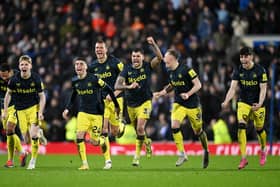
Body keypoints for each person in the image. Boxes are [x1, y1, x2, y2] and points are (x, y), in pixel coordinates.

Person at [154, 49, 209, 168]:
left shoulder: (187, 70)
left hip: (192, 104)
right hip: (178, 103)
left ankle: (205, 150)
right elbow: (171, 86)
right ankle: (182, 153)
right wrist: (160, 93)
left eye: (167, 62)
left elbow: (198, 84)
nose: (165, 64)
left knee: (198, 131)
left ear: (173, 60)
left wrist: (188, 94)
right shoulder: (171, 73)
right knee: (174, 126)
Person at [62, 57, 120, 170]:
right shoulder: (75, 81)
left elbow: (108, 89)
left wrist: (116, 105)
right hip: (83, 113)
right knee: (79, 136)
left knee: (94, 142)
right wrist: (67, 109)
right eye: (77, 64)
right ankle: (84, 164)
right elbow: (73, 96)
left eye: (81, 64)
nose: (78, 66)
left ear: (86, 67)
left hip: (96, 114)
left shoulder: (94, 79)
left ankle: (102, 141)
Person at [114, 36, 162, 166]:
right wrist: (128, 86)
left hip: (145, 102)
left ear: (142, 57)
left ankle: (136, 157)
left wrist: (154, 44)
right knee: (139, 132)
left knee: (140, 127)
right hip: (130, 105)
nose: (135, 58)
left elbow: (159, 58)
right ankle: (147, 142)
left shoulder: (147, 66)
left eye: (137, 56)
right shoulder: (126, 69)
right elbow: (117, 86)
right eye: (133, 56)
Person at [221, 46, 268, 170]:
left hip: (258, 104)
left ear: (251, 57)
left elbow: (263, 89)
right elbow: (232, 88)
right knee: (241, 126)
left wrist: (260, 103)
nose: (243, 59)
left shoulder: (260, 70)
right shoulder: (238, 70)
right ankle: (243, 158)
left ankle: (263, 150)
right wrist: (226, 100)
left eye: (246, 56)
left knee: (259, 129)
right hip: (243, 103)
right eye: (241, 57)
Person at [3, 55, 46, 170]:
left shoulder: (36, 79)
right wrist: (5, 110)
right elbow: (8, 95)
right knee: (26, 139)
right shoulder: (14, 80)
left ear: (30, 66)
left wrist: (40, 112)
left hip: (33, 109)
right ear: (19, 66)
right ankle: (39, 133)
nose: (24, 66)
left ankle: (33, 160)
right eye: (22, 64)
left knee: (33, 136)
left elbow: (42, 97)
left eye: (26, 64)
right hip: (20, 111)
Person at [88, 39, 125, 169]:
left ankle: (121, 125)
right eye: (97, 48)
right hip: (102, 101)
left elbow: (126, 80)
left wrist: (114, 94)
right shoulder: (92, 67)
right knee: (104, 131)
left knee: (114, 132)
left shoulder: (116, 63)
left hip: (116, 99)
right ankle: (108, 161)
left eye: (101, 48)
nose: (99, 50)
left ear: (106, 49)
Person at [0, 63, 28, 168]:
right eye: (2, 75)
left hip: (15, 106)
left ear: (10, 72)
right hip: (4, 108)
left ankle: (14, 158)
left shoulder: (18, 77)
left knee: (9, 129)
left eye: (5, 75)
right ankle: (19, 155)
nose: (4, 78)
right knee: (9, 134)